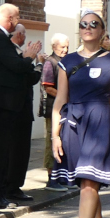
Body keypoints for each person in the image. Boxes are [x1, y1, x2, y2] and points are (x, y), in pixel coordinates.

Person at [48, 10, 110, 218]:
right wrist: (55, 136)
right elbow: (60, 100)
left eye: (94, 24)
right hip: (74, 124)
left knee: (89, 184)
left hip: (101, 123)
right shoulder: (68, 61)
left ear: (102, 30)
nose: (88, 27)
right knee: (87, 183)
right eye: (83, 24)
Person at [0, 3, 45, 209]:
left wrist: (26, 59)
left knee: (3, 151)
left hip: (3, 104)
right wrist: (30, 57)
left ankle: (0, 193)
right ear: (9, 19)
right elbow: (17, 66)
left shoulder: (0, 38)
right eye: (17, 17)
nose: (17, 21)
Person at [38, 32, 74, 182]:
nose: (65, 50)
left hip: (67, 107)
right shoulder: (50, 62)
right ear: (54, 46)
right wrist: (64, 96)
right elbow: (47, 87)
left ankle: (62, 175)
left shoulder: (67, 61)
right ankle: (51, 176)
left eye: (67, 47)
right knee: (52, 140)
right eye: (62, 47)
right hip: (53, 108)